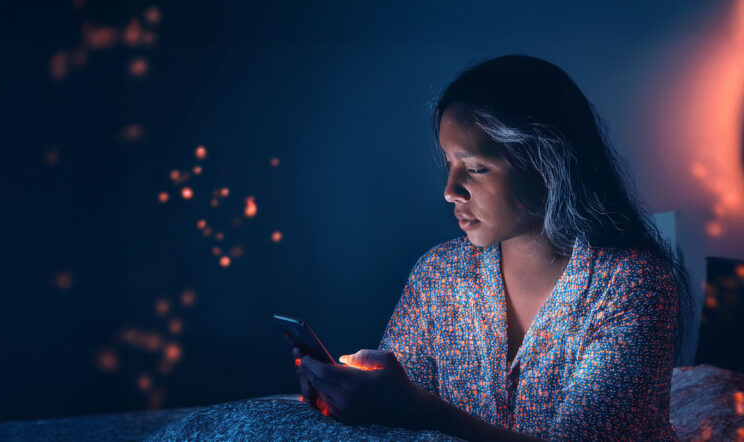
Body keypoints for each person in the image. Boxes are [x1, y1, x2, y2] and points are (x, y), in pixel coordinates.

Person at [291, 54, 692, 441]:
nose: (450, 191)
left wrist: (419, 409)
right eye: (449, 164)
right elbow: (393, 404)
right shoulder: (438, 275)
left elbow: (410, 408)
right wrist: (353, 396)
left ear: (548, 166)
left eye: (476, 169)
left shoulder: (632, 285)